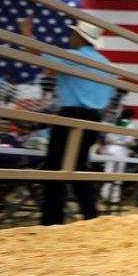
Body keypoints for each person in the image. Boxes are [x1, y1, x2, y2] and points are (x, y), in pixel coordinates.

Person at [17, 16, 115, 225]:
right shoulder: (107, 65)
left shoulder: (73, 57)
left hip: (71, 116)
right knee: (78, 167)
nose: (70, 37)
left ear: (80, 37)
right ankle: (90, 215)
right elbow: (107, 99)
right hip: (93, 120)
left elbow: (38, 57)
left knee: (56, 167)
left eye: (73, 34)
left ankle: (53, 220)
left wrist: (26, 32)